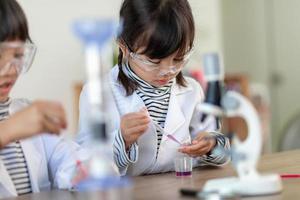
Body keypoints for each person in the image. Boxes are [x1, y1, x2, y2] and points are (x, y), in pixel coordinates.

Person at [77, 0, 230, 176]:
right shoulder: (97, 93)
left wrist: (211, 145)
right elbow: (84, 164)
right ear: (124, 47)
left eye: (179, 59)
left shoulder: (192, 91)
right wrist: (122, 140)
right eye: (154, 62)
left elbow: (221, 152)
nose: (167, 71)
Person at [0, 0, 83, 198]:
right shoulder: (18, 123)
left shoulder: (26, 113)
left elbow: (66, 156)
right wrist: (7, 130)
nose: (11, 69)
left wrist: (82, 169)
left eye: (18, 55)